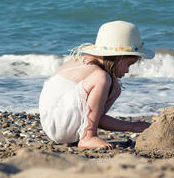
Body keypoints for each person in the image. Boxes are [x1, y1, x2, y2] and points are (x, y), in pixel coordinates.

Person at [38, 20, 155, 149]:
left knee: (115, 87)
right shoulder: (94, 71)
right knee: (103, 79)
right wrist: (132, 126)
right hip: (57, 122)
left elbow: (97, 117)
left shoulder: (94, 68)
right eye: (128, 64)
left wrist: (133, 127)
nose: (127, 70)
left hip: (62, 122)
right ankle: (88, 136)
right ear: (118, 57)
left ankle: (85, 134)